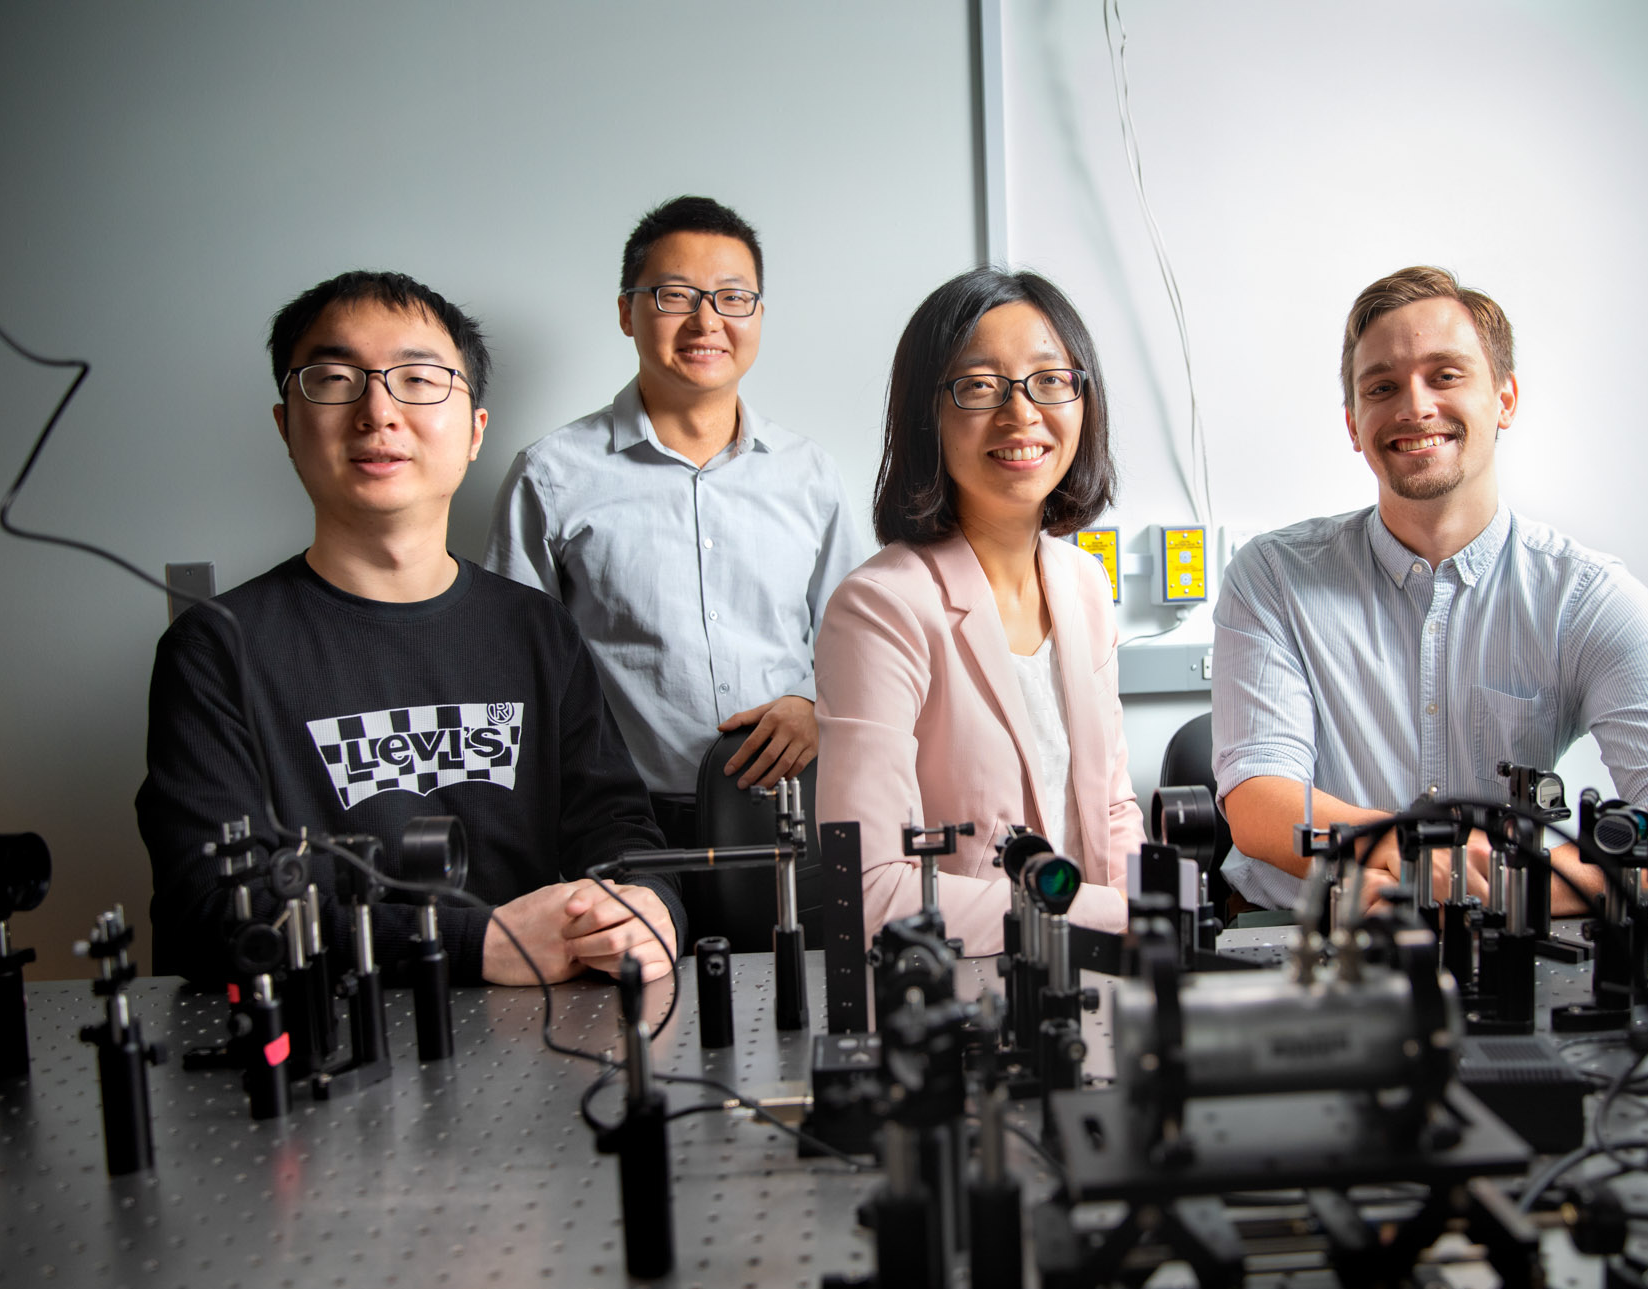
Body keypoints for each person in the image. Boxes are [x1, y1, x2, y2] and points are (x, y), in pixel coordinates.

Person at [139, 271, 683, 987]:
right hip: (318, 1046)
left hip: (536, 1037)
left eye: (419, 379)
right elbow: (207, 910)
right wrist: (474, 941)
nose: (377, 410)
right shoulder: (214, 648)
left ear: (474, 433)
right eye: (335, 378)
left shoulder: (535, 628)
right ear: (285, 426)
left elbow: (617, 830)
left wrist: (650, 907)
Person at [1213, 265, 1648, 913]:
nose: (1415, 405)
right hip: (1303, 941)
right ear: (1354, 424)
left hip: (1514, 941)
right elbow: (1260, 802)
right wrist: (1407, 853)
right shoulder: (1272, 578)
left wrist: (1503, 886)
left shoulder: (1589, 598)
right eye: (1381, 386)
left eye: (1446, 374)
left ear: (1506, 399)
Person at [484, 196, 860, 850]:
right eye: (675, 295)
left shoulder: (811, 476)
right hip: (618, 821)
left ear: (759, 316)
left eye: (732, 297)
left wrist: (815, 707)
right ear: (627, 312)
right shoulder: (552, 475)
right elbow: (509, 671)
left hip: (792, 809)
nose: (706, 320)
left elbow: (855, 640)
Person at [816, 269, 1139, 950]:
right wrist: (1111, 914)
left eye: (1050, 379)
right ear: (926, 411)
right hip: (963, 992)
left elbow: (1111, 809)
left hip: (1102, 976)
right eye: (980, 385)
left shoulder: (1084, 584)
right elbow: (869, 892)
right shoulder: (882, 607)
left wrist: (1156, 913)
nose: (1021, 413)